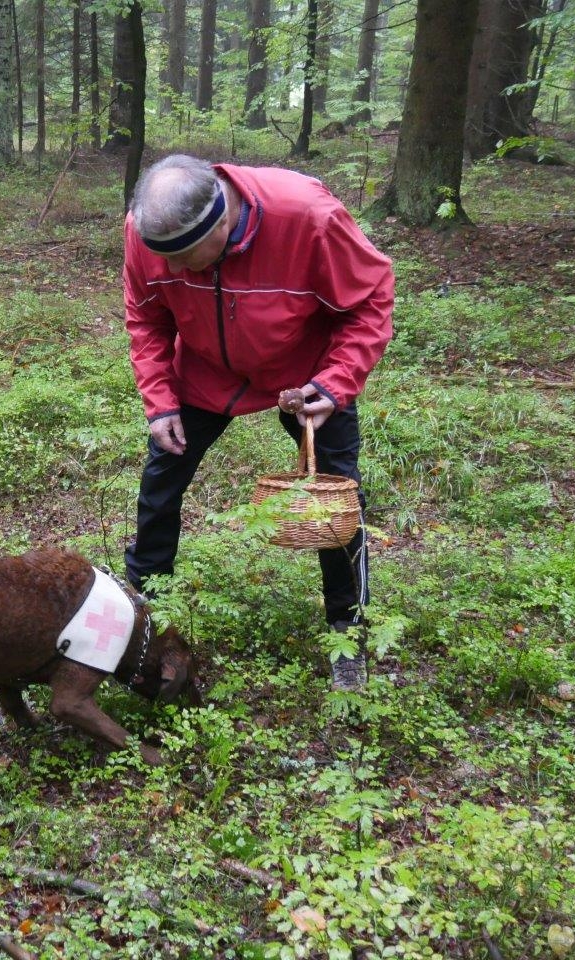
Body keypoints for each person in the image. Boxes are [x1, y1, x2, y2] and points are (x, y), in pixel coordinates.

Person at [122, 155, 393, 692]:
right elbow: (146, 315)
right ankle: (144, 612)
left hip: (306, 376)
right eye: (164, 258)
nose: (174, 270)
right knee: (160, 485)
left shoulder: (308, 218)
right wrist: (161, 401)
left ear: (222, 222)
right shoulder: (145, 229)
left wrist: (336, 384)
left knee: (335, 497)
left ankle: (347, 629)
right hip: (203, 373)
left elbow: (369, 300)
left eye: (185, 258)